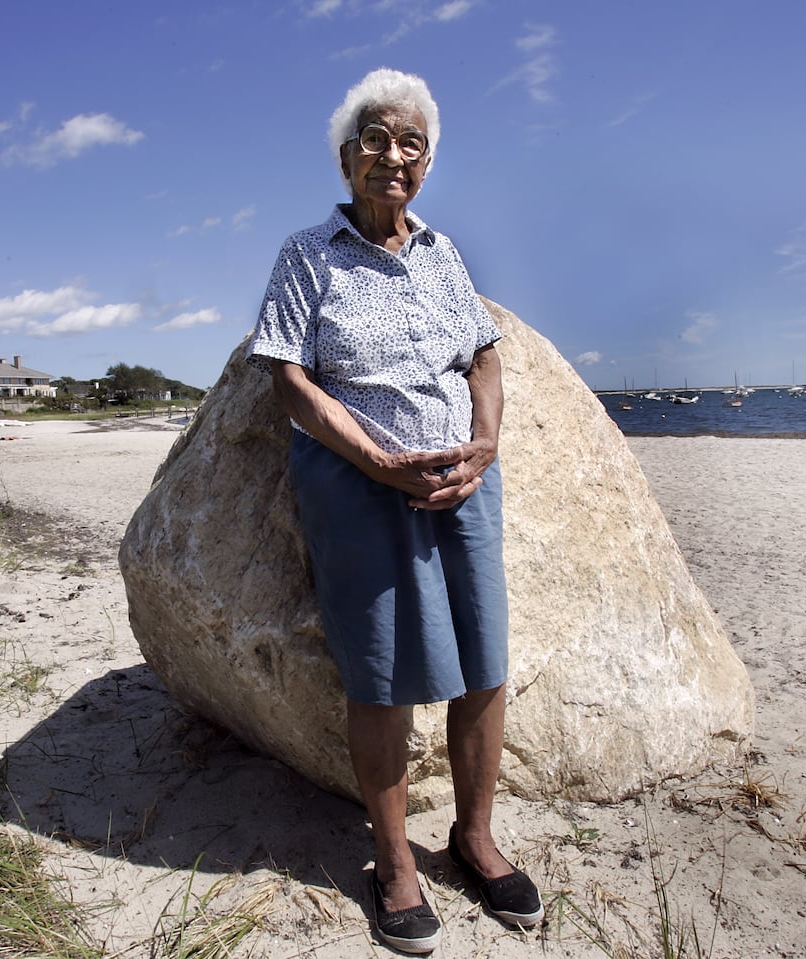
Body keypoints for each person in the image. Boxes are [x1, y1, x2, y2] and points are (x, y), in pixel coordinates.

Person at [248, 68, 542, 954]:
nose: (394, 156)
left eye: (411, 143)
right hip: (358, 484)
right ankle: (394, 861)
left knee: (484, 661)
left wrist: (484, 448)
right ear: (346, 157)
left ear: (427, 161)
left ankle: (474, 836)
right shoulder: (308, 253)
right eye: (375, 139)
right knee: (379, 675)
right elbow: (290, 378)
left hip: (460, 481)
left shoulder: (443, 254)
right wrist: (376, 457)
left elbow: (483, 359)